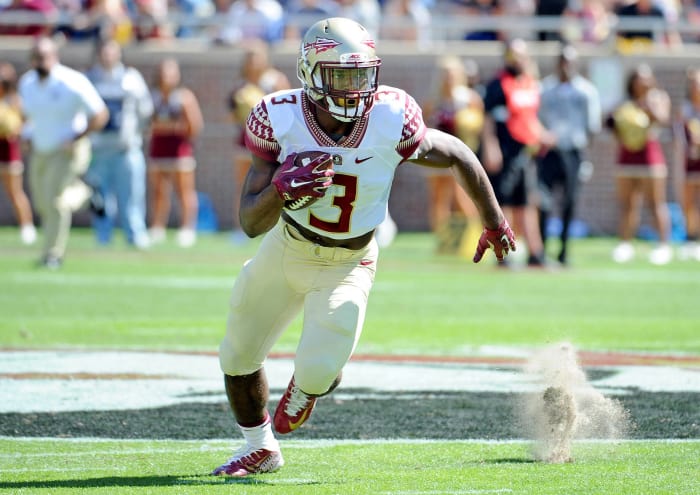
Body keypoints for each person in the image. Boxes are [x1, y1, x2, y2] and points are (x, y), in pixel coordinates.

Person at [210, 17, 516, 478]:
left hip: (349, 262)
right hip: (287, 246)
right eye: (342, 75)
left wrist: (493, 221)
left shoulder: (390, 115)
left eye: (362, 75)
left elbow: (456, 152)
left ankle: (310, 385)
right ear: (310, 73)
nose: (355, 89)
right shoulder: (278, 115)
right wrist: (281, 190)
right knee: (236, 353)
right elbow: (251, 221)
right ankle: (259, 447)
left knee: (316, 369)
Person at [19, 36, 109, 269]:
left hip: (68, 150)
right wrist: (27, 136)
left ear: (55, 57)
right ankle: (88, 195)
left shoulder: (72, 81)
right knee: (42, 204)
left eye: (45, 57)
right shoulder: (27, 83)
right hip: (41, 149)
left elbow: (100, 114)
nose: (41, 62)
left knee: (56, 201)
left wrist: (76, 138)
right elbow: (30, 117)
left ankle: (52, 255)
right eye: (37, 58)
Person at [481, 38, 555, 268]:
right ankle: (503, 253)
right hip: (505, 150)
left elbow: (528, 118)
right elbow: (488, 118)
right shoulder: (497, 85)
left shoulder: (529, 83)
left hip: (525, 152)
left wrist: (543, 135)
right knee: (503, 202)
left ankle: (536, 252)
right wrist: (490, 147)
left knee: (527, 202)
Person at [85, 38, 154, 249]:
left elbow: (146, 111)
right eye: (104, 52)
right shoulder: (89, 79)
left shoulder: (132, 79)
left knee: (132, 197)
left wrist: (134, 134)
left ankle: (135, 236)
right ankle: (102, 236)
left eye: (111, 52)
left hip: (126, 149)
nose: (107, 56)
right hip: (98, 149)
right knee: (99, 198)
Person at [537, 44, 601, 265]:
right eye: (563, 61)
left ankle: (563, 251)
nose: (566, 66)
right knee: (543, 201)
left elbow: (592, 126)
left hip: (573, 151)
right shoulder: (545, 88)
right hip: (549, 151)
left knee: (569, 202)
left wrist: (585, 156)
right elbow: (537, 119)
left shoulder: (586, 91)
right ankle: (540, 248)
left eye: (570, 61)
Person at [607, 63, 672, 265]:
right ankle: (625, 243)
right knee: (627, 204)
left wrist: (647, 106)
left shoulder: (658, 98)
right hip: (627, 158)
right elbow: (612, 123)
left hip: (651, 159)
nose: (641, 82)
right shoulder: (625, 102)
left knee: (655, 204)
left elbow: (663, 119)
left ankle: (663, 245)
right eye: (638, 78)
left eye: (646, 78)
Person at [227, 41, 290, 243]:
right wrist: (243, 110)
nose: (254, 62)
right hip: (245, 141)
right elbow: (231, 117)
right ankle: (241, 228)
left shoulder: (275, 81)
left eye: (258, 57)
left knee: (276, 184)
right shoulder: (240, 86)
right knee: (242, 185)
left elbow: (289, 109)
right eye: (250, 57)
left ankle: (275, 228)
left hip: (273, 143)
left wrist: (261, 103)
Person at [422, 55, 484, 255]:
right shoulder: (434, 100)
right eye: (445, 74)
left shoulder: (468, 98)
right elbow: (423, 125)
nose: (448, 78)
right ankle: (443, 241)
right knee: (437, 199)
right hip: (435, 156)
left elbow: (479, 125)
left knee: (462, 198)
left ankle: (473, 239)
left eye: (452, 74)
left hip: (459, 157)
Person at [146, 57, 204, 247]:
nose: (166, 76)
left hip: (179, 152)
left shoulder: (184, 97)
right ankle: (157, 227)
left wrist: (169, 127)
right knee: (159, 192)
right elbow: (146, 124)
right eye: (163, 72)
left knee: (184, 191)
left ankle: (187, 229)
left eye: (170, 72)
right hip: (158, 150)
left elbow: (194, 126)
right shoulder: (152, 96)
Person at [0, 62, 36, 246]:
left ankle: (27, 227)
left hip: (8, 148)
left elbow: (26, 123)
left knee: (14, 191)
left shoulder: (14, 100)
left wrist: (17, 129)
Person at [673, 67, 700, 261]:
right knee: (689, 202)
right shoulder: (685, 109)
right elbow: (680, 134)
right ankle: (690, 239)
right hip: (690, 162)